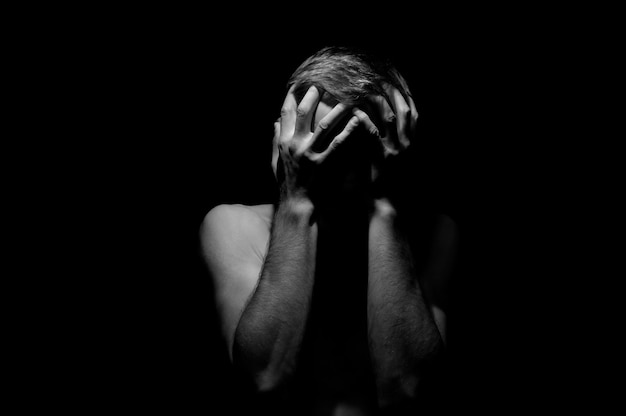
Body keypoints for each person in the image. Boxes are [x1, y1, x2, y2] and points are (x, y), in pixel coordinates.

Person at [199, 46, 458, 415]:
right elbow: (265, 382)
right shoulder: (234, 225)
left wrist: (383, 203)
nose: (333, 164)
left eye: (357, 147)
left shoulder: (435, 233)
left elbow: (408, 390)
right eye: (319, 141)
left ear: (395, 146)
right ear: (287, 141)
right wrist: (295, 200)